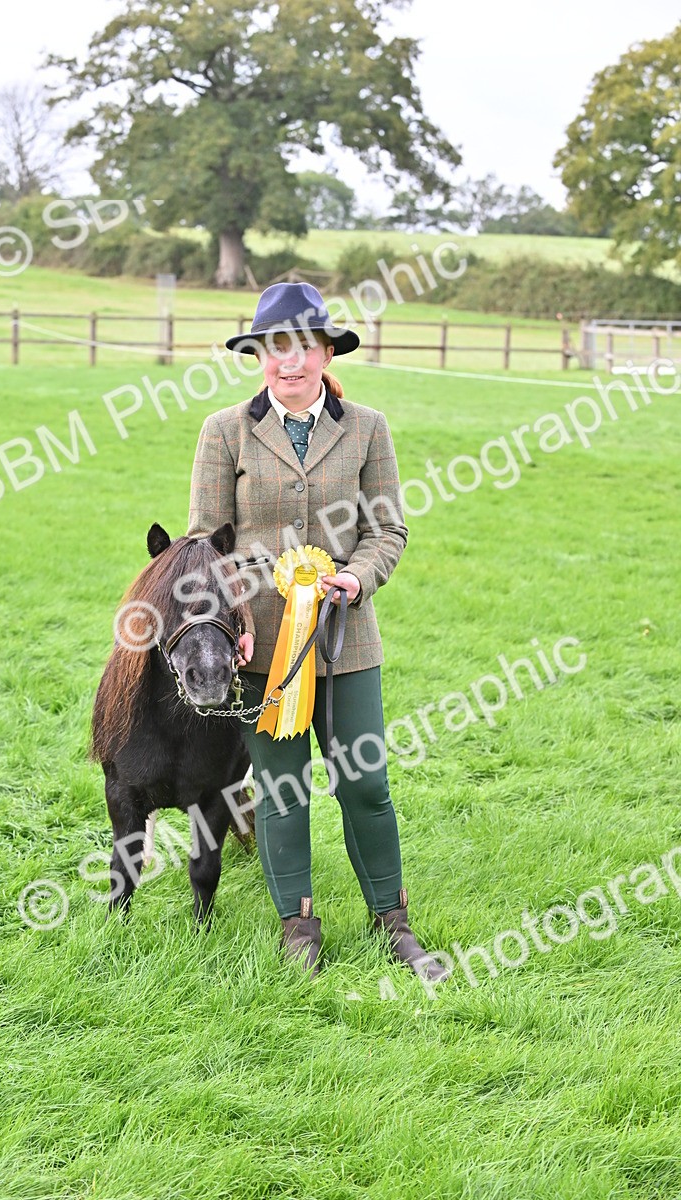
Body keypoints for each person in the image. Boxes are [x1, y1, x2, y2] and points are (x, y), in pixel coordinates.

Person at [187, 282, 448, 983]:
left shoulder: (367, 427)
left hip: (347, 641)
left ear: (326, 352)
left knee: (365, 785)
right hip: (260, 649)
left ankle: (393, 922)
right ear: (259, 357)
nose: (289, 363)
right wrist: (234, 618)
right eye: (274, 349)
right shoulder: (224, 431)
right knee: (282, 790)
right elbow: (206, 546)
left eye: (302, 347)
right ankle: (298, 926)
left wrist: (357, 578)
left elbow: (387, 528)